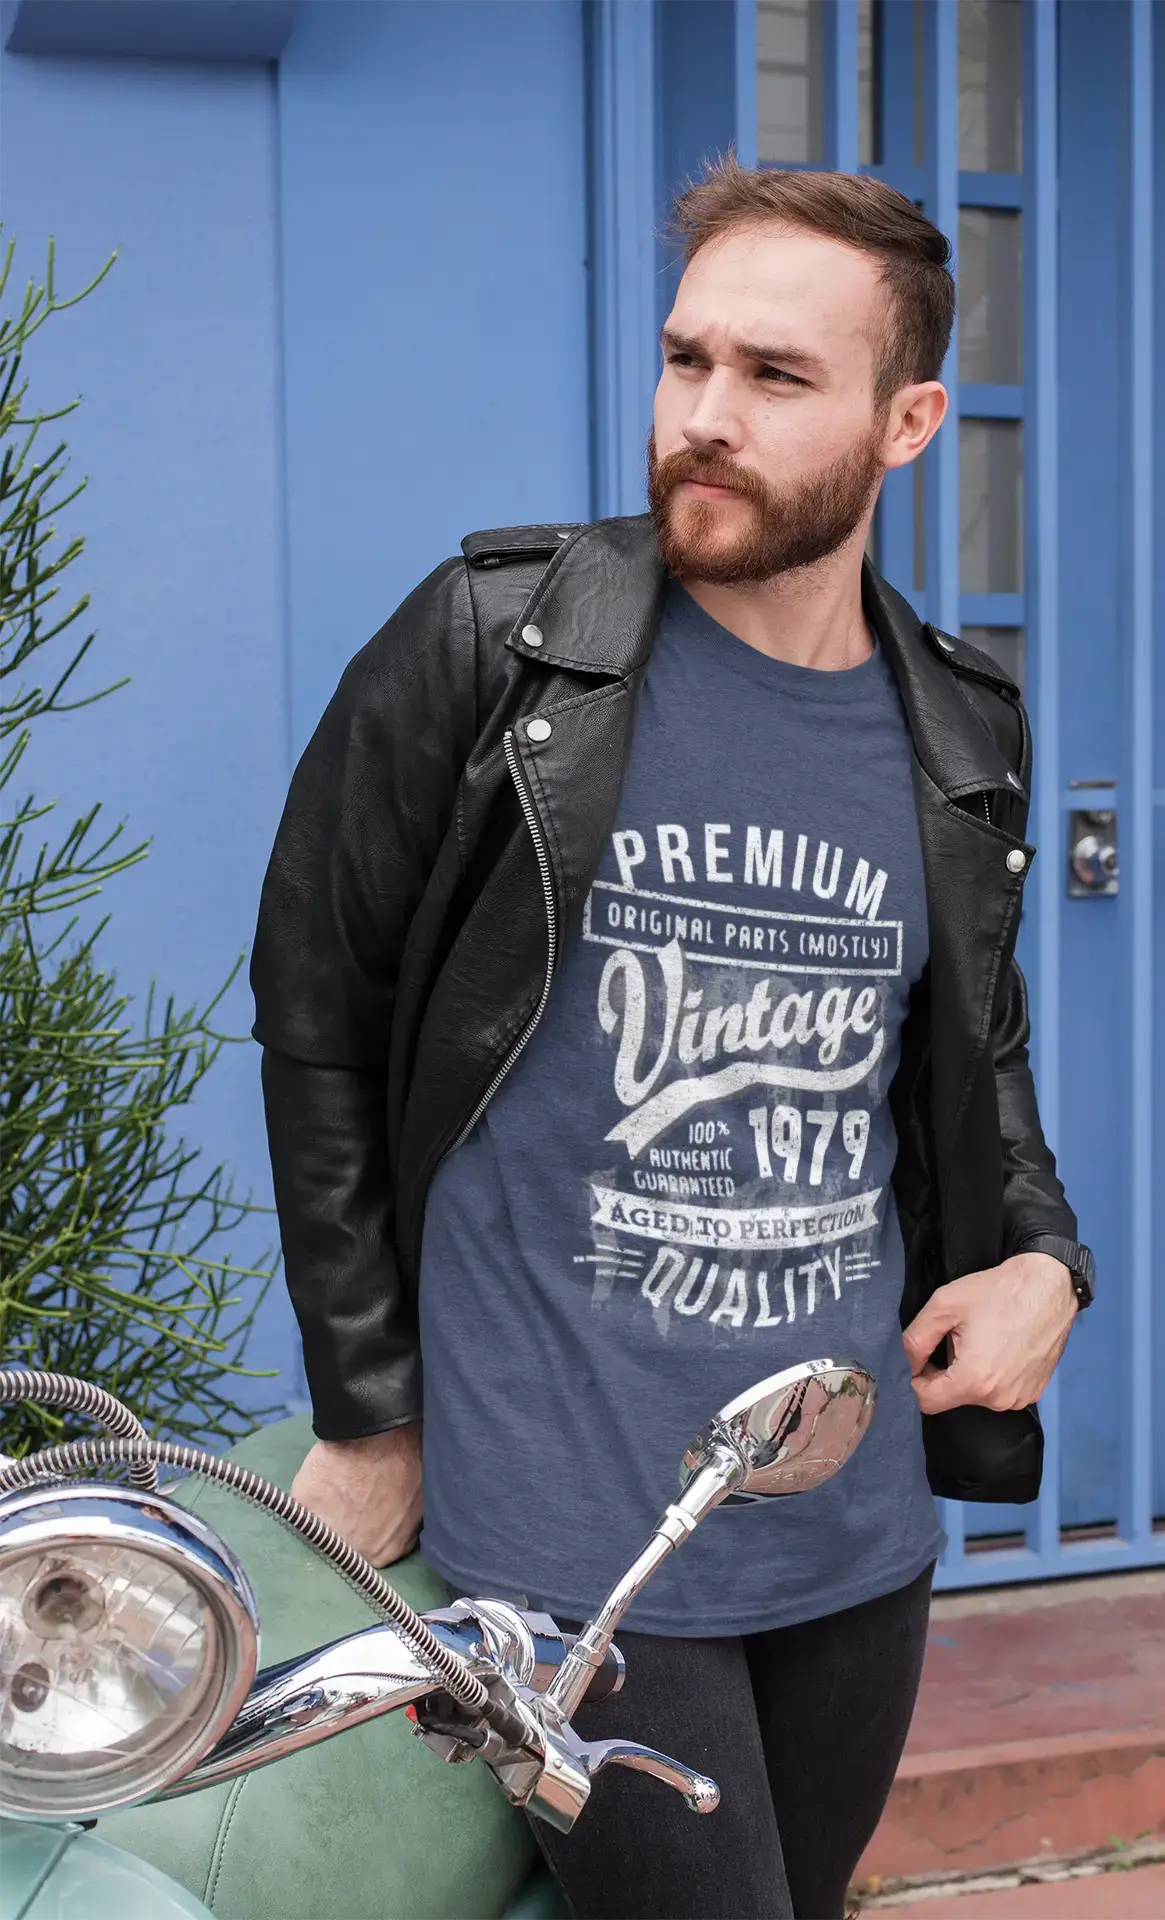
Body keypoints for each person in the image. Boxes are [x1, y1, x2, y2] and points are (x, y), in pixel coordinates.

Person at [250, 159, 1094, 1920]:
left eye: (776, 376)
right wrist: (373, 1404)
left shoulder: (960, 725)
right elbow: (319, 1015)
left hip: (852, 1524)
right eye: (687, 358)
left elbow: (970, 1053)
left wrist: (1045, 1261)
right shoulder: (500, 645)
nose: (705, 415)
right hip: (574, 1537)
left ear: (909, 421)